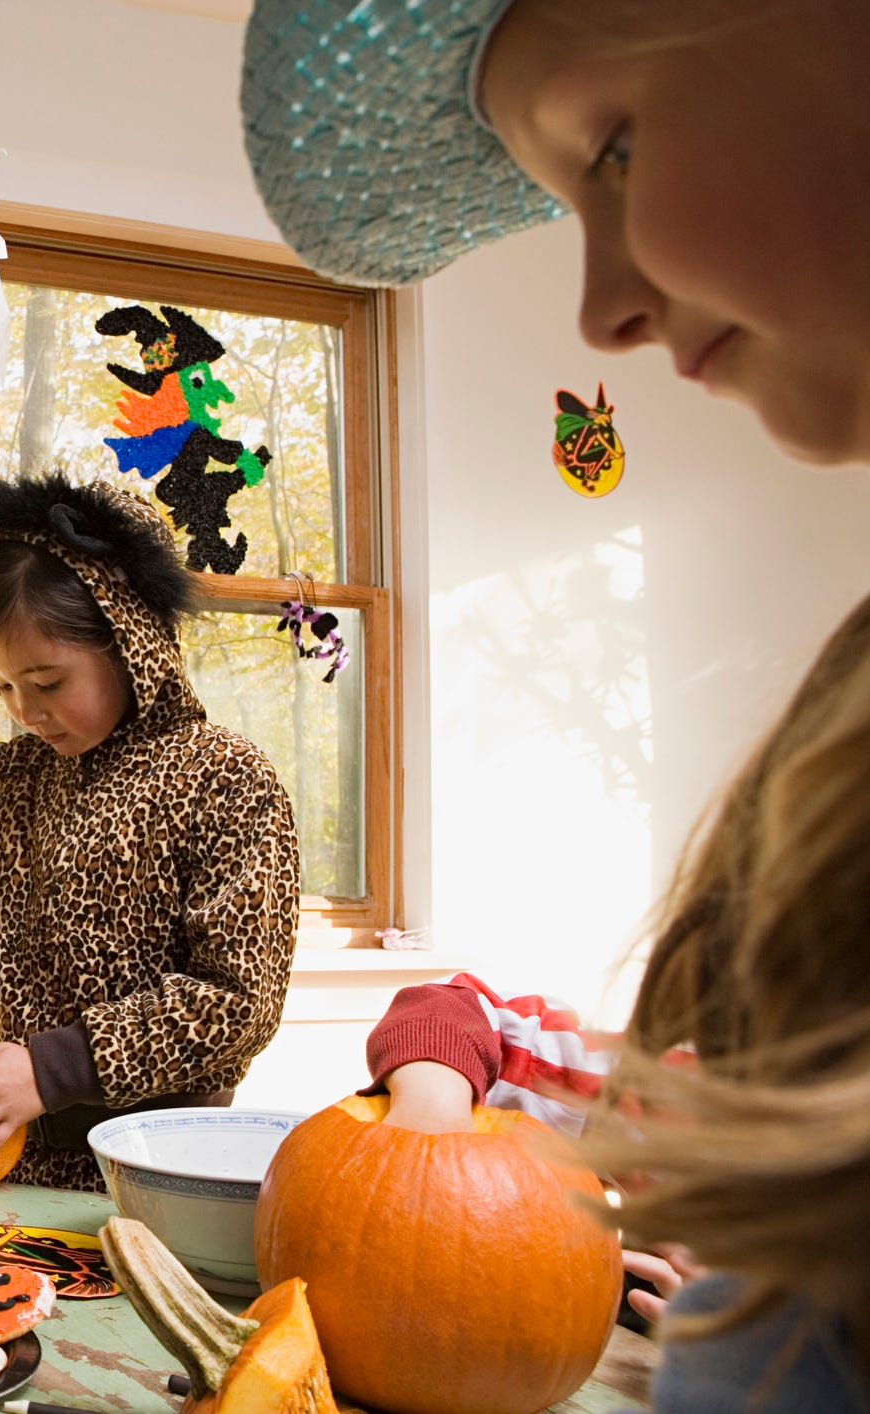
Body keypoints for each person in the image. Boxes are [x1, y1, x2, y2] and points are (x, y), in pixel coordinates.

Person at [243, 1, 870, 1407]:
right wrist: (429, 1108)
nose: (597, 307)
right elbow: (459, 1010)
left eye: (619, 146)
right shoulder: (658, 1095)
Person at [0, 474, 300, 1191]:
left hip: (161, 1173)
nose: (24, 711)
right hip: (6, 1161)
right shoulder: (12, 778)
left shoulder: (226, 779)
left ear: (130, 642)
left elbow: (237, 1002)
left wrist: (53, 1070)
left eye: (47, 682)